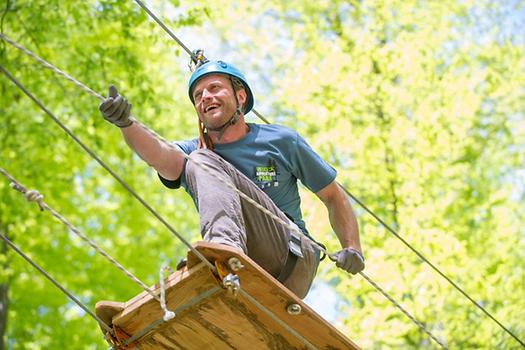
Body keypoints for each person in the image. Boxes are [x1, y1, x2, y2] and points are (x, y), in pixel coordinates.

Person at [98, 60, 364, 298]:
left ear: (240, 97)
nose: (205, 97)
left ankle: (223, 252)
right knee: (199, 159)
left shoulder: (280, 141)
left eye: (214, 88)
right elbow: (160, 156)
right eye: (198, 95)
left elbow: (332, 196)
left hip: (293, 258)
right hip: (245, 273)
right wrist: (127, 125)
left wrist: (352, 247)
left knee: (201, 159)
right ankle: (218, 262)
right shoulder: (195, 151)